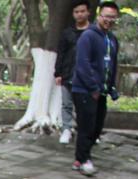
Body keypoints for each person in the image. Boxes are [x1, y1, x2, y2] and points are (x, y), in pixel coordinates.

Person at [70, 1, 120, 176]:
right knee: (87, 127)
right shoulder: (88, 36)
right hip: (85, 90)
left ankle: (80, 158)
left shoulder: (112, 39)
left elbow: (112, 65)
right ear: (99, 16)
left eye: (113, 17)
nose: (109, 20)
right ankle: (84, 159)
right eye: (106, 16)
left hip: (102, 91)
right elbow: (82, 64)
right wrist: (93, 88)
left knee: (97, 127)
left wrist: (111, 87)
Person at [54, 1, 92, 145]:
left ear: (88, 12)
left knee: (85, 106)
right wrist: (58, 73)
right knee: (66, 104)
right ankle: (66, 129)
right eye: (76, 12)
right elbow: (61, 53)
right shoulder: (67, 33)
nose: (79, 14)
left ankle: (86, 131)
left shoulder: (94, 32)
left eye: (82, 11)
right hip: (68, 74)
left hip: (87, 77)